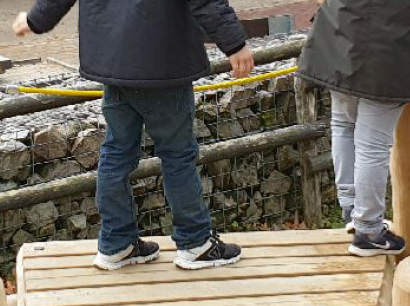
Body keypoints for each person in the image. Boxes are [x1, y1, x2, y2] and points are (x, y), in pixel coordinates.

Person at [13, 0, 252, 271]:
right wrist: (234, 44)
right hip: (162, 61)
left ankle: (116, 244)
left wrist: (35, 20)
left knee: (116, 153)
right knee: (177, 155)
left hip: (114, 62)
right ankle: (195, 242)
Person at [297, 0, 410, 257]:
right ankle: (368, 229)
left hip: (340, 30)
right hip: (390, 45)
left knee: (344, 125)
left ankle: (352, 209)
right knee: (372, 143)